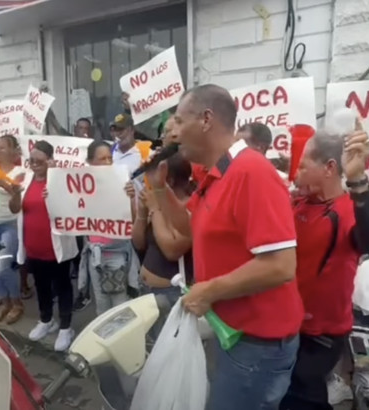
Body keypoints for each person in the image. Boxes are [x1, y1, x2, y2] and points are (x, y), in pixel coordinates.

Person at [151, 84, 301, 409]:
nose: (172, 131)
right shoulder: (216, 174)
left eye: (178, 120)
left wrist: (208, 291)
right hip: (234, 334)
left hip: (257, 344)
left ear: (206, 119)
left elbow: (280, 265)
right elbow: (190, 228)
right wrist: (159, 190)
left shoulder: (252, 172)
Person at [280, 126, 369, 410]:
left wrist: (358, 180)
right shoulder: (298, 202)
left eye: (303, 167)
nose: (297, 174)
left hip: (320, 333)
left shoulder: (349, 209)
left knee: (302, 397)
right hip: (285, 324)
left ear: (330, 167)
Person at [10, 140, 79, 351]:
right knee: (41, 286)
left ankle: (66, 327)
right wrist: (14, 193)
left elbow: (73, 209)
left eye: (39, 160)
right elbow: (15, 209)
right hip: (33, 246)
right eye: (31, 160)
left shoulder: (61, 179)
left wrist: (57, 197)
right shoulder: (26, 179)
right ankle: (46, 320)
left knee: (62, 286)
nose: (34, 164)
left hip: (56, 247)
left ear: (50, 160)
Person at [128, 154, 194, 337]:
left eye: (152, 177)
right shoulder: (158, 204)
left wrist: (155, 210)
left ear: (168, 180)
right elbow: (139, 243)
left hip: (170, 294)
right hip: (147, 290)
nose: (147, 183)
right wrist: (142, 213)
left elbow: (172, 250)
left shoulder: (190, 207)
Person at [77, 140, 139, 315]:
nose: (107, 162)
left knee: (120, 305)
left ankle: (122, 339)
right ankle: (105, 339)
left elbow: (134, 221)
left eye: (109, 158)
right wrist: (53, 194)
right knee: (102, 304)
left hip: (117, 255)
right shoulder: (79, 186)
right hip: (94, 255)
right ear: (90, 162)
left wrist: (130, 199)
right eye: (101, 159)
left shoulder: (123, 184)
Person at [0, 135, 27, 324]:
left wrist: (4, 184)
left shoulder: (20, 171)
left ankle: (17, 303)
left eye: (2, 148)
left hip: (10, 223)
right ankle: (5, 302)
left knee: (4, 269)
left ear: (12, 151)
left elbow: (20, 200)